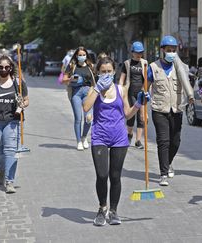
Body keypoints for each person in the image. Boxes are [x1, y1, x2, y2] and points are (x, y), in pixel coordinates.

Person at [83, 57, 150, 226]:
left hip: (119, 137)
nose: (106, 74)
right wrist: (98, 88)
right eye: (103, 72)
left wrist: (139, 104)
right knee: (101, 174)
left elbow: (127, 114)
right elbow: (85, 107)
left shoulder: (121, 89)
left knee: (115, 176)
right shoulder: (94, 89)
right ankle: (102, 208)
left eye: (109, 71)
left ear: (114, 72)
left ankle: (113, 211)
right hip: (99, 136)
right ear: (98, 73)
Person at [147, 35, 194, 186]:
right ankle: (163, 174)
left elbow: (188, 85)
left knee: (175, 141)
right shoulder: (153, 67)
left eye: (174, 50)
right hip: (159, 109)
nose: (171, 53)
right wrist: (144, 96)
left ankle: (168, 162)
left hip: (177, 109)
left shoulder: (182, 68)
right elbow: (146, 86)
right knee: (163, 141)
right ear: (162, 50)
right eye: (169, 50)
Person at [0, 56, 29, 193]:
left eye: (6, 67)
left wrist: (22, 104)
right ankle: (3, 170)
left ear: (11, 68)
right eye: (1, 67)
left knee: (10, 150)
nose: (3, 70)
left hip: (12, 121)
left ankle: (9, 181)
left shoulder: (18, 83)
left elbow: (26, 101)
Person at [62, 47, 96, 150]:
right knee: (78, 118)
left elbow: (96, 80)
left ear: (86, 55)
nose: (82, 57)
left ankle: (84, 137)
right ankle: (78, 142)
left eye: (83, 55)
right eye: (80, 55)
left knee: (89, 118)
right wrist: (70, 79)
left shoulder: (91, 66)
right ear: (76, 56)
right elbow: (63, 80)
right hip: (76, 93)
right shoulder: (72, 66)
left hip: (88, 92)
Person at [118, 41, 148, 149]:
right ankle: (129, 134)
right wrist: (120, 90)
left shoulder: (145, 63)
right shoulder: (127, 63)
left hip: (141, 92)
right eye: (137, 52)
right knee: (131, 115)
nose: (139, 54)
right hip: (130, 92)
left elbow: (147, 79)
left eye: (141, 52)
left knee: (142, 117)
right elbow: (122, 79)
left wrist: (147, 90)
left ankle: (138, 140)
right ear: (132, 52)